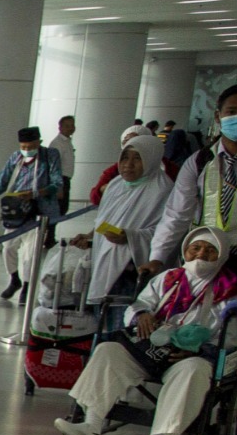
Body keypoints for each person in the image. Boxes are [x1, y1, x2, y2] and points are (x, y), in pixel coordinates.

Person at [54, 227, 237, 435]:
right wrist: (141, 314)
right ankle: (91, 425)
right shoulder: (169, 278)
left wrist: (199, 350)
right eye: (195, 248)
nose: (201, 254)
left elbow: (234, 337)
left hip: (190, 356)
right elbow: (141, 302)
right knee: (108, 351)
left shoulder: (231, 290)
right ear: (185, 251)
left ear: (222, 255)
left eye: (210, 250)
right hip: (150, 349)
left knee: (194, 370)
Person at [148, 84, 237, 280]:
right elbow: (176, 213)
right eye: (232, 111)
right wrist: (157, 257)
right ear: (218, 116)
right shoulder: (200, 160)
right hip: (200, 258)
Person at [68, 131, 173, 315]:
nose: (128, 165)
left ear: (151, 158)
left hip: (134, 271)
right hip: (106, 261)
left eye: (137, 159)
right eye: (124, 158)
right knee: (103, 320)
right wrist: (91, 237)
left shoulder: (162, 189)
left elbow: (168, 232)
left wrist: (129, 236)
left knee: (122, 322)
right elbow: (106, 220)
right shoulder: (116, 185)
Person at [0, 127, 64, 301]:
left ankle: (26, 285)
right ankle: (14, 279)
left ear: (39, 142)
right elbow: (2, 180)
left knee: (30, 252)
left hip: (38, 212)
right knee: (8, 247)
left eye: (30, 146)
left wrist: (35, 193)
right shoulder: (16, 158)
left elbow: (57, 182)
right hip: (16, 211)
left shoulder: (50, 156)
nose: (27, 150)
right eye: (23, 146)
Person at [50, 115, 78, 212]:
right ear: (60, 127)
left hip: (65, 180)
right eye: (67, 126)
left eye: (72, 125)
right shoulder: (58, 143)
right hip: (60, 180)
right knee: (57, 210)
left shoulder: (67, 142)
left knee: (62, 209)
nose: (70, 128)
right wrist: (58, 186)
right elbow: (53, 165)